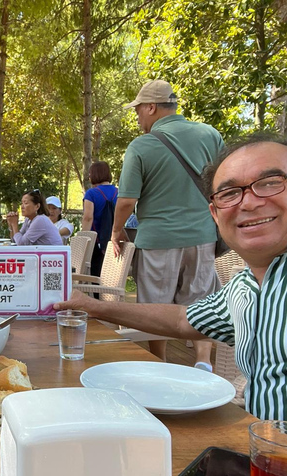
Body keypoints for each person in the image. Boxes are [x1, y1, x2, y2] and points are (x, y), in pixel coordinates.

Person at [55, 135, 287, 462]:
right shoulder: (245, 286)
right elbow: (181, 319)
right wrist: (89, 304)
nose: (248, 202)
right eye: (231, 193)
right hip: (263, 468)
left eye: (270, 182)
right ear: (215, 214)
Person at [115, 79, 224, 370]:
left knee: (156, 307)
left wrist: (115, 231)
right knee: (201, 302)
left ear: (151, 107)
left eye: (138, 110)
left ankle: (160, 363)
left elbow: (126, 201)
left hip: (158, 238)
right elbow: (225, 183)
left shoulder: (142, 145)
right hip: (203, 234)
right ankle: (203, 361)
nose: (137, 116)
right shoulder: (210, 135)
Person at [81, 161, 118, 276]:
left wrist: (83, 238)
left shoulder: (91, 193)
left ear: (95, 174)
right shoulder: (119, 192)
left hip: (96, 242)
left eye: (90, 173)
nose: (89, 176)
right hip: (114, 241)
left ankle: (96, 294)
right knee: (111, 276)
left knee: (95, 274)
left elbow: (88, 218)